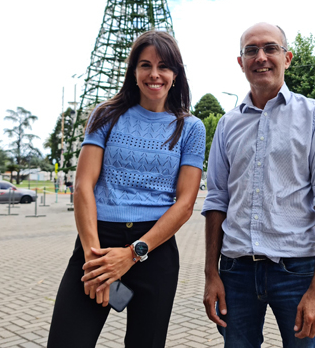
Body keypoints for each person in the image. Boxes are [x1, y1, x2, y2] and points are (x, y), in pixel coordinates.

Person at [48, 31, 206, 348]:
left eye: (164, 66)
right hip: (98, 243)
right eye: (145, 65)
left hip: (154, 249)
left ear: (176, 74)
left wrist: (133, 254)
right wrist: (96, 263)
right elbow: (83, 186)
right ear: (133, 72)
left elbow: (185, 203)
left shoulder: (190, 128)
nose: (154, 74)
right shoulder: (106, 115)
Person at [202, 22, 315, 348]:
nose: (261, 57)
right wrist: (212, 275)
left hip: (296, 273)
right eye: (251, 50)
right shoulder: (227, 125)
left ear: (287, 58)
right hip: (235, 273)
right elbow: (216, 200)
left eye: (270, 48)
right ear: (240, 62)